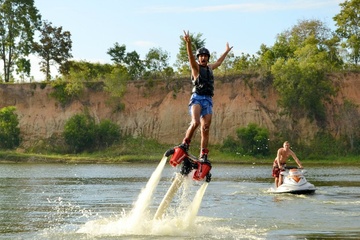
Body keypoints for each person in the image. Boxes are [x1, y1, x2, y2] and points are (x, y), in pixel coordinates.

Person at [178, 30, 233, 162]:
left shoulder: (209, 68)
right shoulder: (195, 68)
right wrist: (188, 43)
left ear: (208, 57)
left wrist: (226, 51)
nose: (203, 58)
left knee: (205, 127)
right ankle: (185, 144)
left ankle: (203, 154)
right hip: (197, 98)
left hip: (208, 100)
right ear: (198, 58)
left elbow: (219, 62)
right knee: (196, 122)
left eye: (205, 56)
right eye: (201, 56)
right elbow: (190, 57)